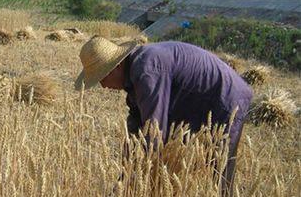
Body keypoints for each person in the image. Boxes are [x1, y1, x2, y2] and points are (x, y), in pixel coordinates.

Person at [75, 36, 253, 197]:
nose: (103, 86)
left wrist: (132, 179)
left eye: (102, 77)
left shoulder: (146, 70)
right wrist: (124, 178)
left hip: (226, 98)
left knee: (219, 168)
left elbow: (154, 133)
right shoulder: (134, 75)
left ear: (117, 66)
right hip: (199, 98)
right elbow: (137, 127)